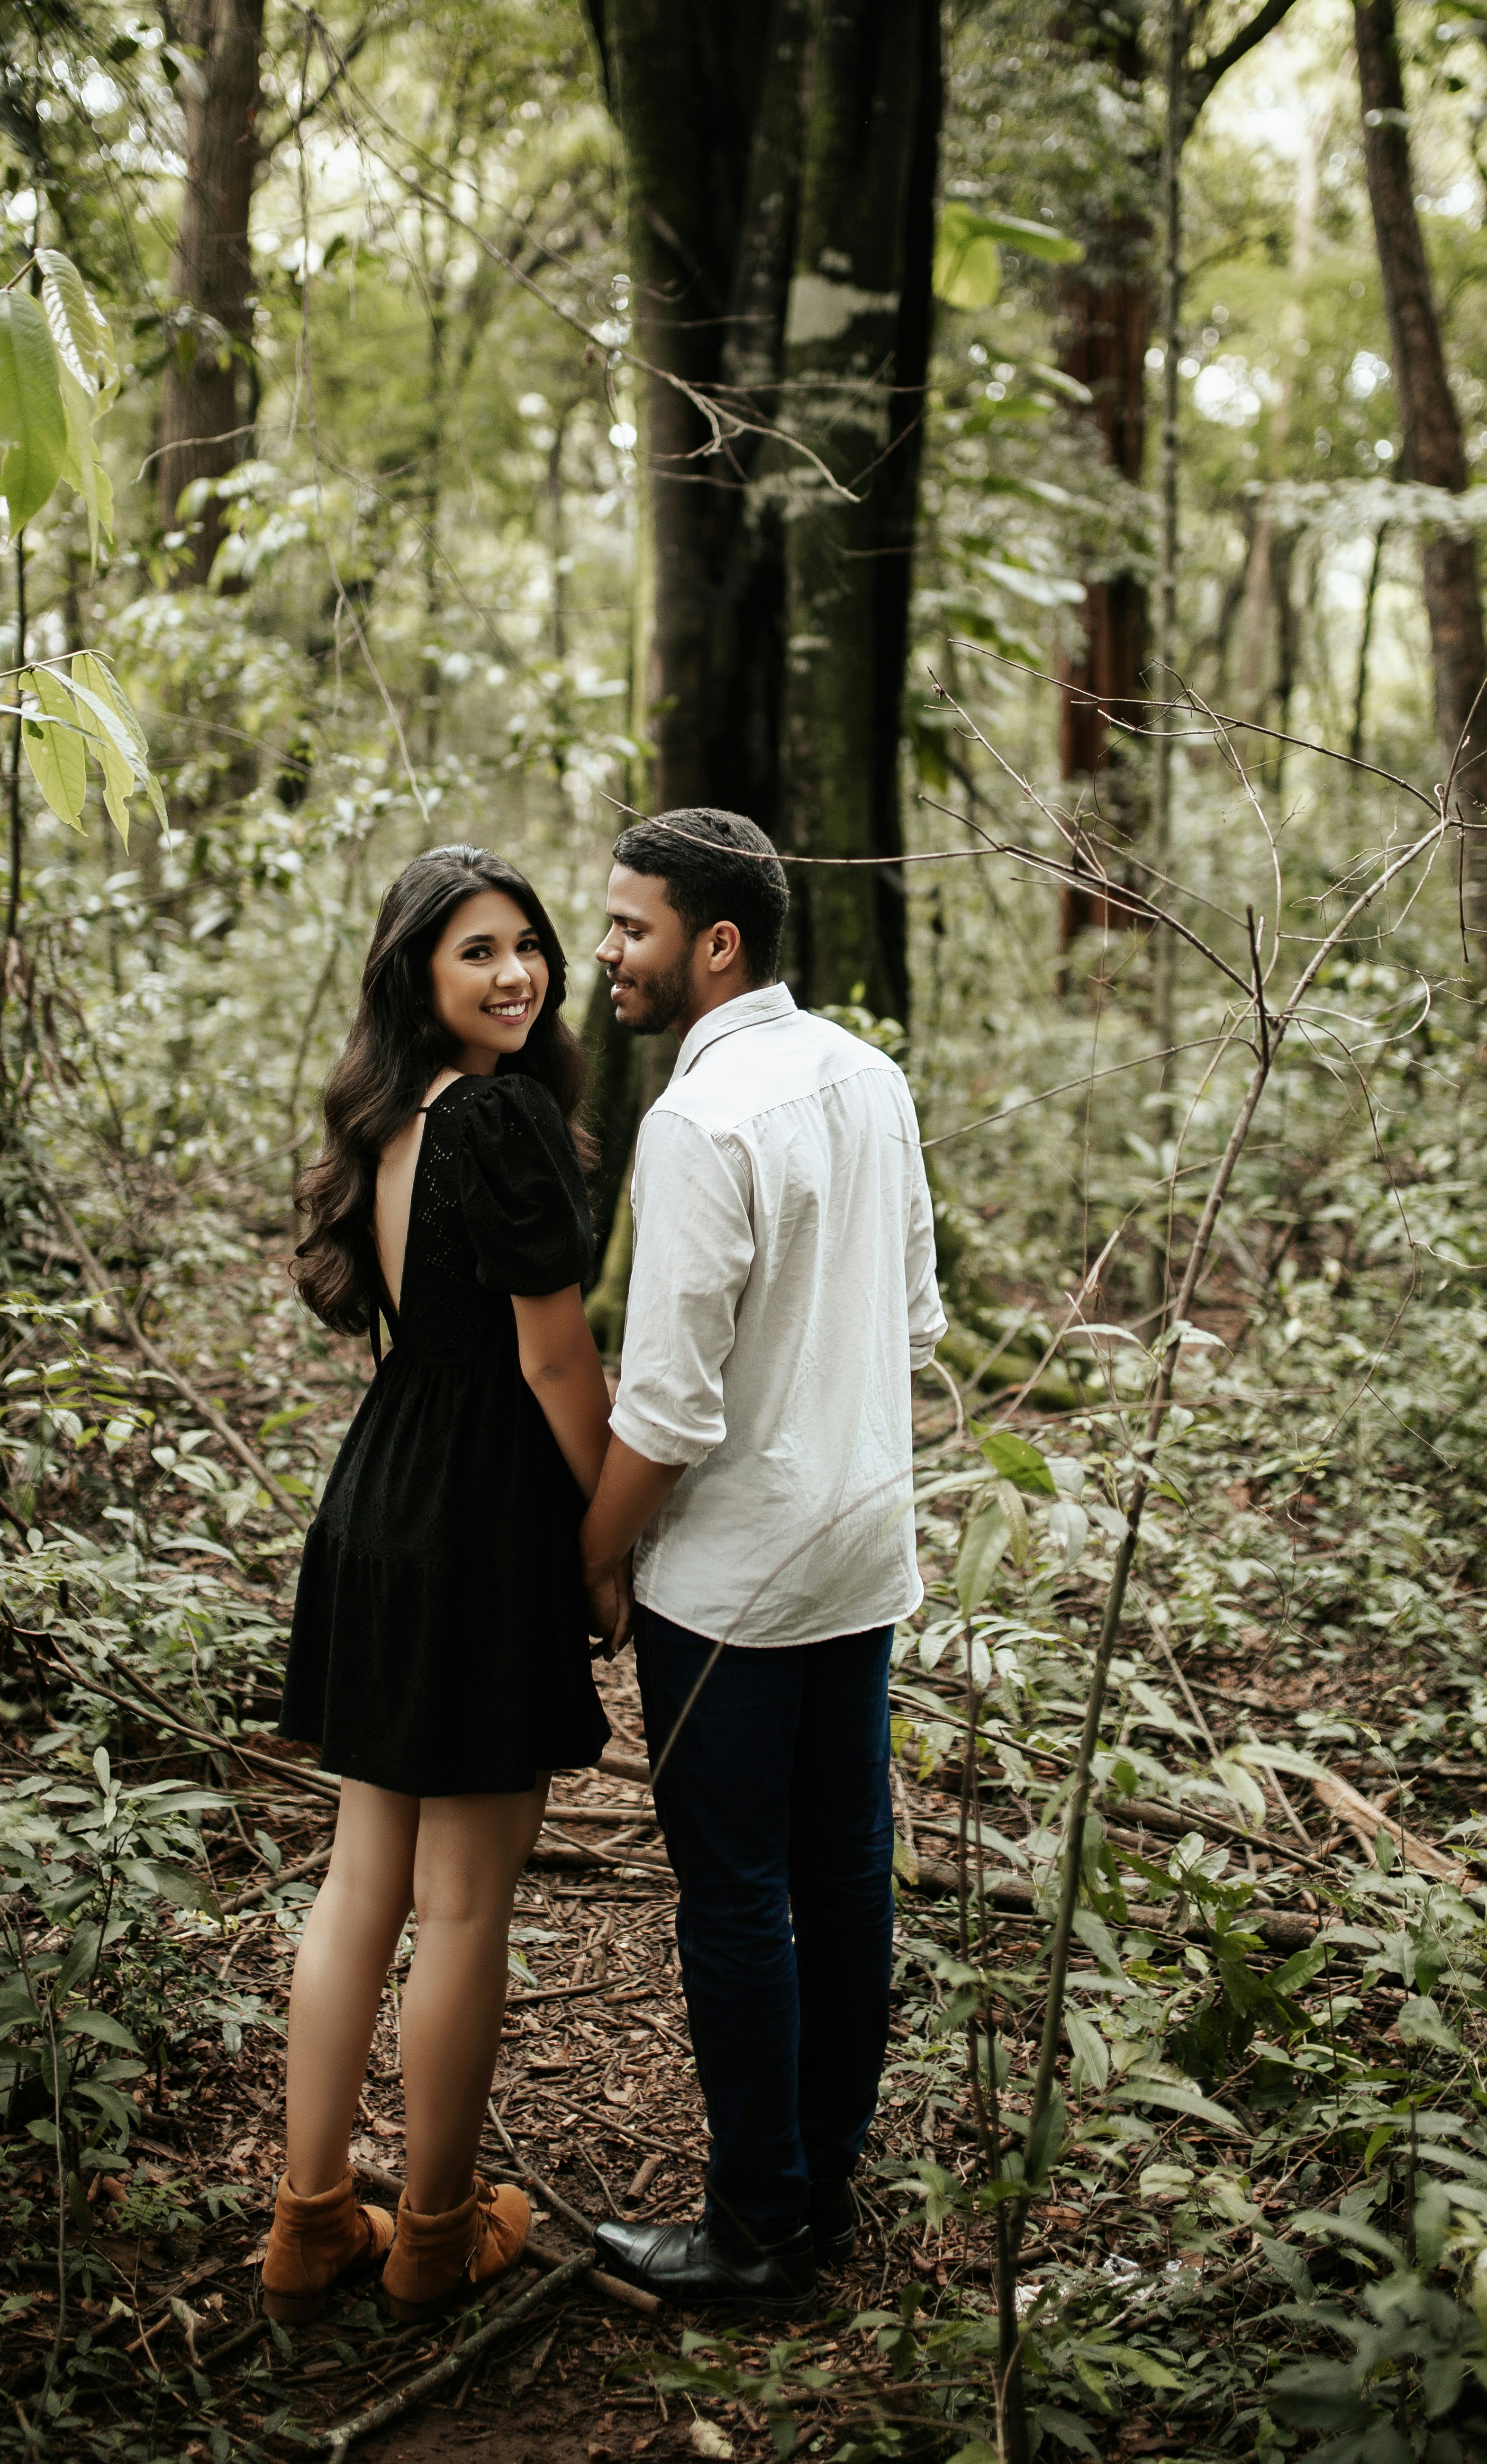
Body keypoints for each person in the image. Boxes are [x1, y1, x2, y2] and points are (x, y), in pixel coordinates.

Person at [580, 809, 946, 2310]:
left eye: (630, 927)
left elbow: (666, 1405)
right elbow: (916, 1322)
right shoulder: (872, 1076)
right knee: (842, 1874)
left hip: (730, 1580)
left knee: (734, 1890)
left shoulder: (697, 1121)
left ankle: (751, 2230)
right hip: (862, 1549)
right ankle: (821, 2183)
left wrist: (595, 1558)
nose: (603, 951)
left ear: (714, 942)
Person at [260, 844, 617, 2325]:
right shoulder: (506, 1119)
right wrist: (608, 1532)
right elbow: (550, 1357)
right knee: (465, 1903)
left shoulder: (394, 1121)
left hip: (382, 1492)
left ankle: (307, 2222)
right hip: (477, 1512)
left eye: (529, 944)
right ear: (418, 968)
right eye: (479, 950)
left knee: (362, 1882)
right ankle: (434, 2232)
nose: (517, 972)